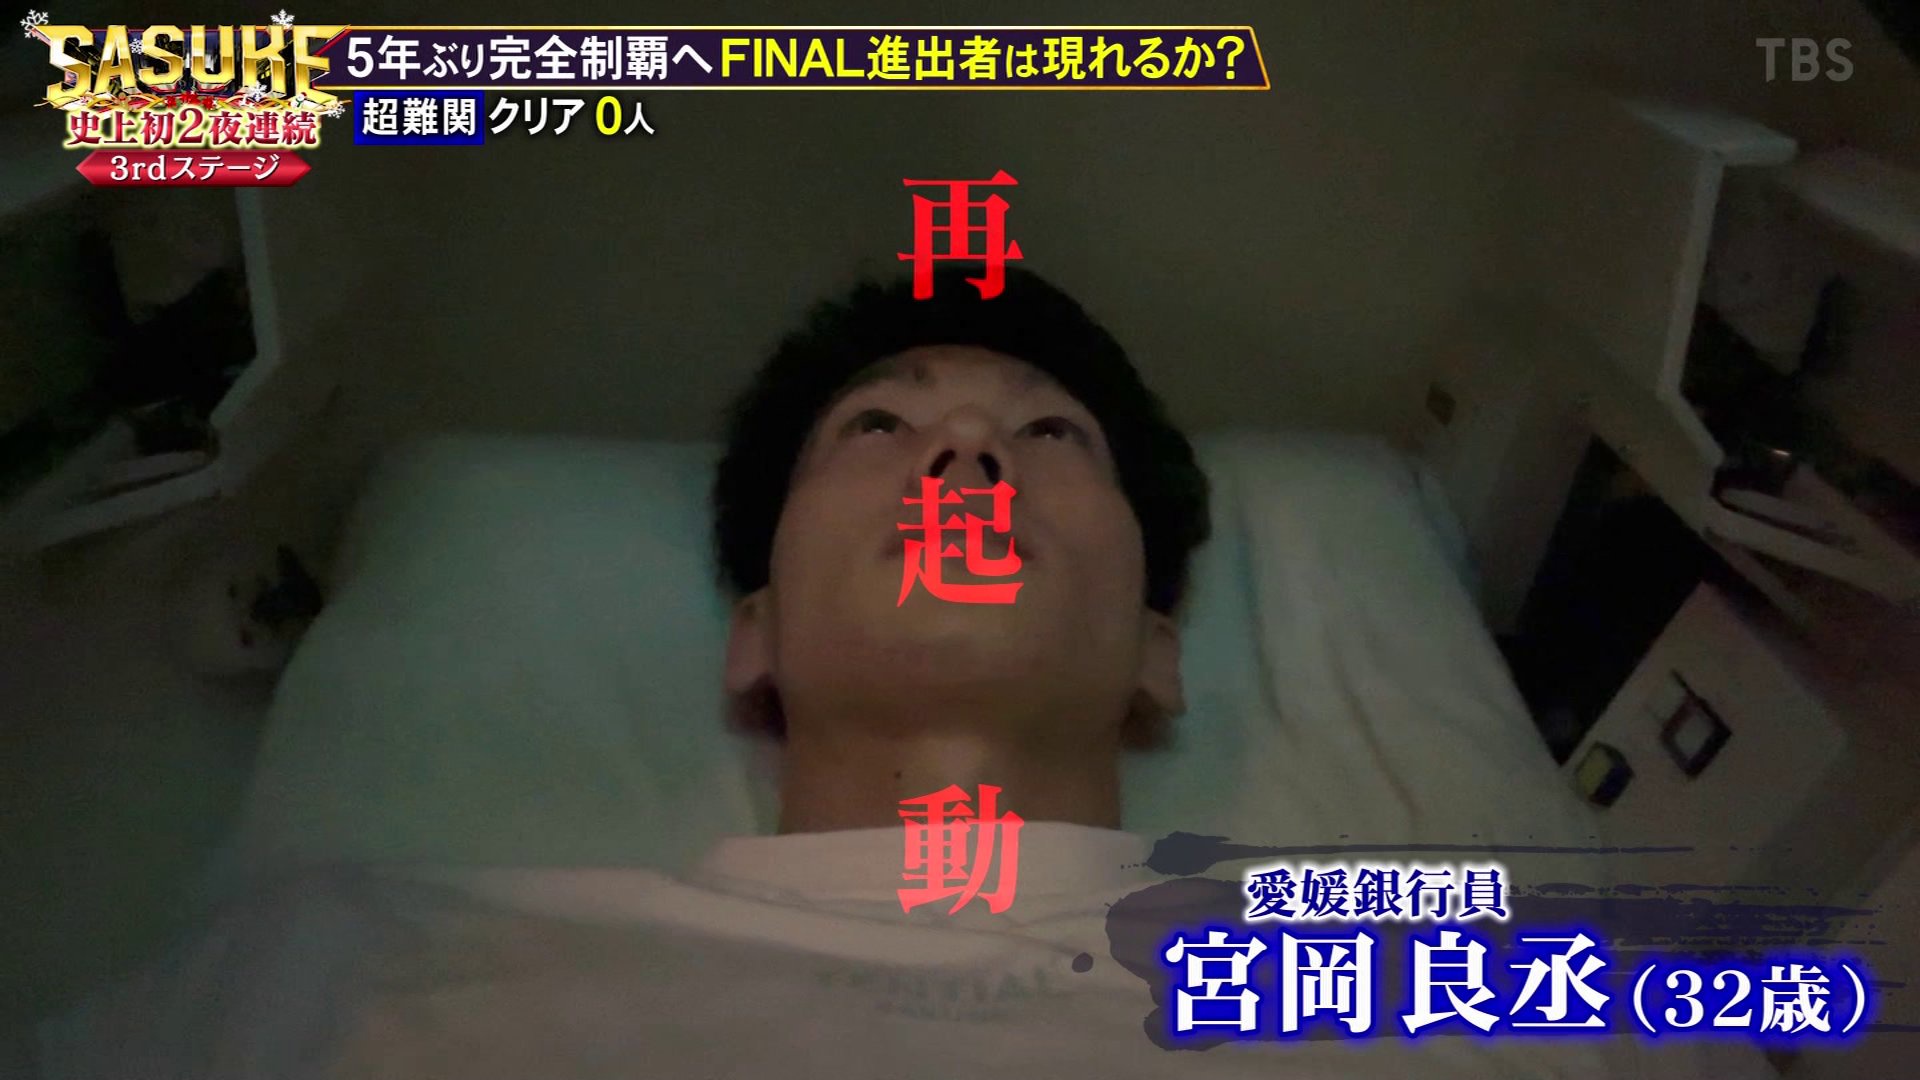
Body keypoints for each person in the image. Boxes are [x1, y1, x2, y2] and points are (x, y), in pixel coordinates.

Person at [33, 265, 1754, 1080]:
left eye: (1044, 435)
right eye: (881, 426)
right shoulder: (342, 970)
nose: (966, 457)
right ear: (757, 634)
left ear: (1157, 653)